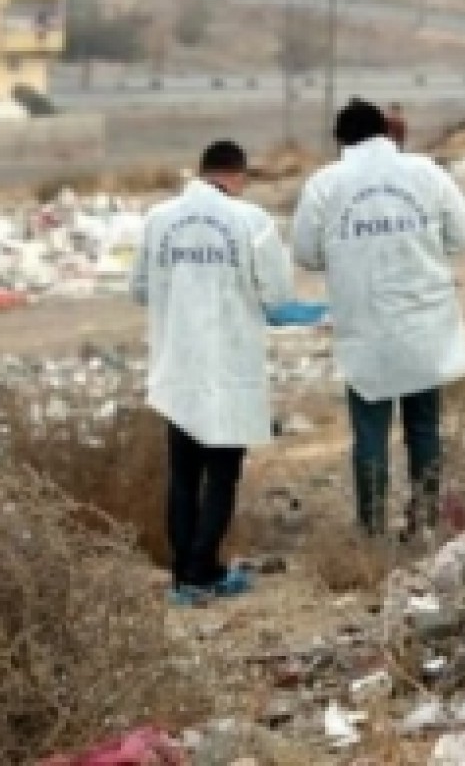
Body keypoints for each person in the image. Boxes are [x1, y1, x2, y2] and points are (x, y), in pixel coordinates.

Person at [293, 100, 465, 539]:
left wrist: (349, 254)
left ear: (341, 140)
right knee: (424, 427)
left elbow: (306, 254)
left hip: (366, 329)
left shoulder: (325, 185)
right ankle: (425, 521)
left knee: (370, 434)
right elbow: (460, 235)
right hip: (422, 324)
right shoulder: (426, 173)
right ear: (384, 131)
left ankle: (372, 530)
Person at [131, 140, 296, 606]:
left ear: (202, 170)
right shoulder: (250, 221)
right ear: (237, 176)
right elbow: (278, 293)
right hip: (229, 365)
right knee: (221, 476)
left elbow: (140, 288)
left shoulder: (159, 219)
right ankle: (204, 571)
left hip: (178, 365)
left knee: (183, 475)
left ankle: (183, 574)